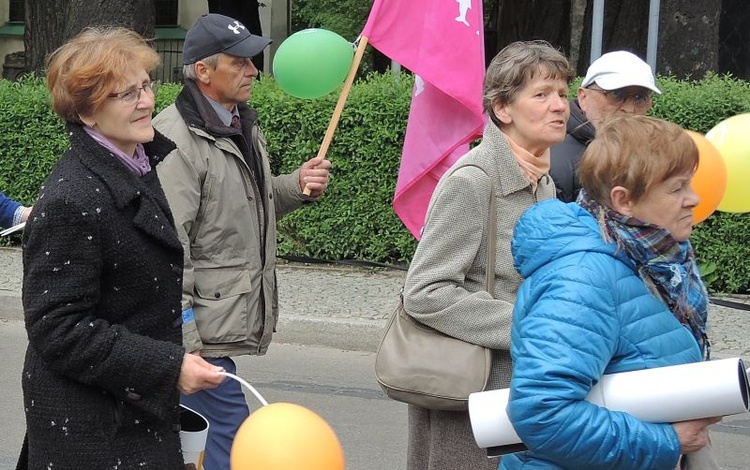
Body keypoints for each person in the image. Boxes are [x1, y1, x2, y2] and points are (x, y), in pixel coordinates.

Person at [18, 27, 225, 469]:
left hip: (130, 413)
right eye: (126, 94)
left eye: (146, 85)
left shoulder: (134, 161)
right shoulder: (73, 198)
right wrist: (168, 366)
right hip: (96, 431)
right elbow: (57, 329)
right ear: (88, 113)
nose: (147, 101)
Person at [154, 13, 331, 469]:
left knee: (200, 443)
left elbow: (243, 203)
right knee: (228, 438)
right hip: (202, 333)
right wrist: (186, 343)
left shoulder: (240, 122)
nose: (254, 70)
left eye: (252, 60)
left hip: (219, 321)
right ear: (203, 71)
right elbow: (168, 249)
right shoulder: (176, 138)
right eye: (241, 62)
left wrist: (294, 185)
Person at [503, 115, 720, 469]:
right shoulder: (583, 277)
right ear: (624, 201)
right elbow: (542, 412)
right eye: (676, 188)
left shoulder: (648, 259)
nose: (694, 199)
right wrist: (668, 442)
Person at [401, 40, 570, 470]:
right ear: (502, 109)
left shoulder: (544, 182)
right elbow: (425, 291)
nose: (559, 106)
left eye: (563, 94)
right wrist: (528, 325)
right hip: (473, 390)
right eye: (542, 94)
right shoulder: (474, 180)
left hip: (525, 384)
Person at [549, 50, 661, 202]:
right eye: (616, 94)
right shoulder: (553, 159)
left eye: (639, 97)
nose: (629, 109)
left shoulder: (655, 153)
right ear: (583, 97)